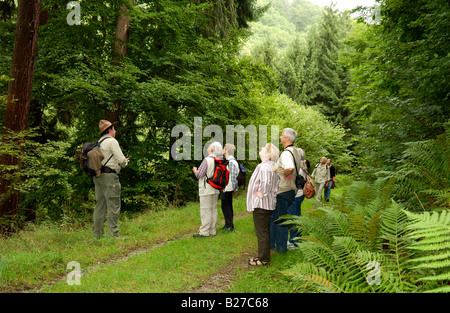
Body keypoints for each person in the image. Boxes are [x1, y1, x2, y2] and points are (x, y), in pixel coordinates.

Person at [93, 120, 130, 239]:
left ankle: (97, 235)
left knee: (100, 206)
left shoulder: (99, 142)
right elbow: (121, 160)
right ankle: (114, 236)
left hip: (98, 176)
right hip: (110, 177)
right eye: (114, 129)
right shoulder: (112, 142)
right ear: (109, 130)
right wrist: (125, 162)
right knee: (113, 206)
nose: (115, 131)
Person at [247, 143, 280, 266]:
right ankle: (263, 256)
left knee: (261, 232)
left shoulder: (264, 167)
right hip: (266, 204)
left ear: (267, 154)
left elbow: (266, 183)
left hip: (261, 204)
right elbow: (277, 183)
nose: (260, 150)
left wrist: (262, 193)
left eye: (262, 149)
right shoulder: (271, 166)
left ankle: (263, 259)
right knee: (264, 231)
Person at [270, 128, 299, 254]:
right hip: (292, 190)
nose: (280, 137)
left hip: (283, 190)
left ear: (287, 138)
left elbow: (290, 168)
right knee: (282, 218)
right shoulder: (296, 151)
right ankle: (278, 247)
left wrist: (285, 175)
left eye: (282, 135)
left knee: (278, 220)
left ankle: (280, 249)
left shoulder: (286, 153)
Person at [192, 142, 222, 238]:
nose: (207, 147)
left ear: (212, 149)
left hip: (206, 188)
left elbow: (199, 175)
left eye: (209, 146)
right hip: (216, 188)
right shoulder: (219, 160)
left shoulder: (207, 160)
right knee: (213, 209)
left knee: (205, 210)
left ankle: (204, 232)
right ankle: (212, 230)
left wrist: (195, 171)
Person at [286, 148, 307, 250]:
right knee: (296, 217)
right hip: (300, 195)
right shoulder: (303, 166)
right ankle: (295, 240)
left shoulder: (297, 167)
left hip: (296, 195)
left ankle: (295, 242)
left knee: (293, 218)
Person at [221, 143, 239, 232]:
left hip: (228, 187)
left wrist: (235, 188)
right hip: (227, 187)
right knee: (228, 206)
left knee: (225, 206)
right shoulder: (228, 160)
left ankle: (229, 226)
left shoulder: (231, 162)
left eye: (224, 148)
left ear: (227, 150)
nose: (223, 150)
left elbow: (233, 176)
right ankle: (228, 224)